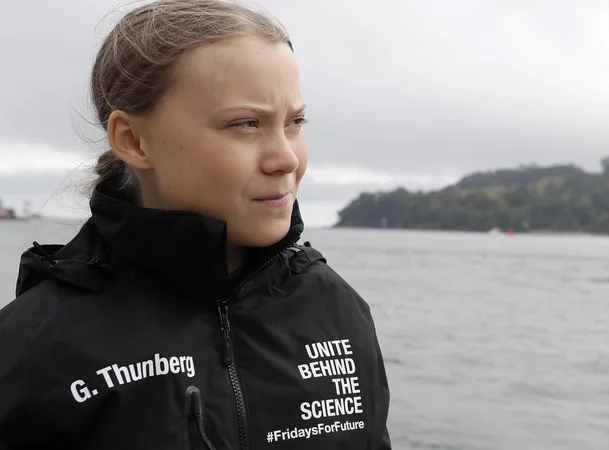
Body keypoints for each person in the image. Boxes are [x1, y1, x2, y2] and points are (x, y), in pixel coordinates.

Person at [0, 1, 392, 448]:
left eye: (294, 122)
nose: (286, 157)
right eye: (246, 123)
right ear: (133, 140)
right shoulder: (36, 348)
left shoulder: (337, 311)